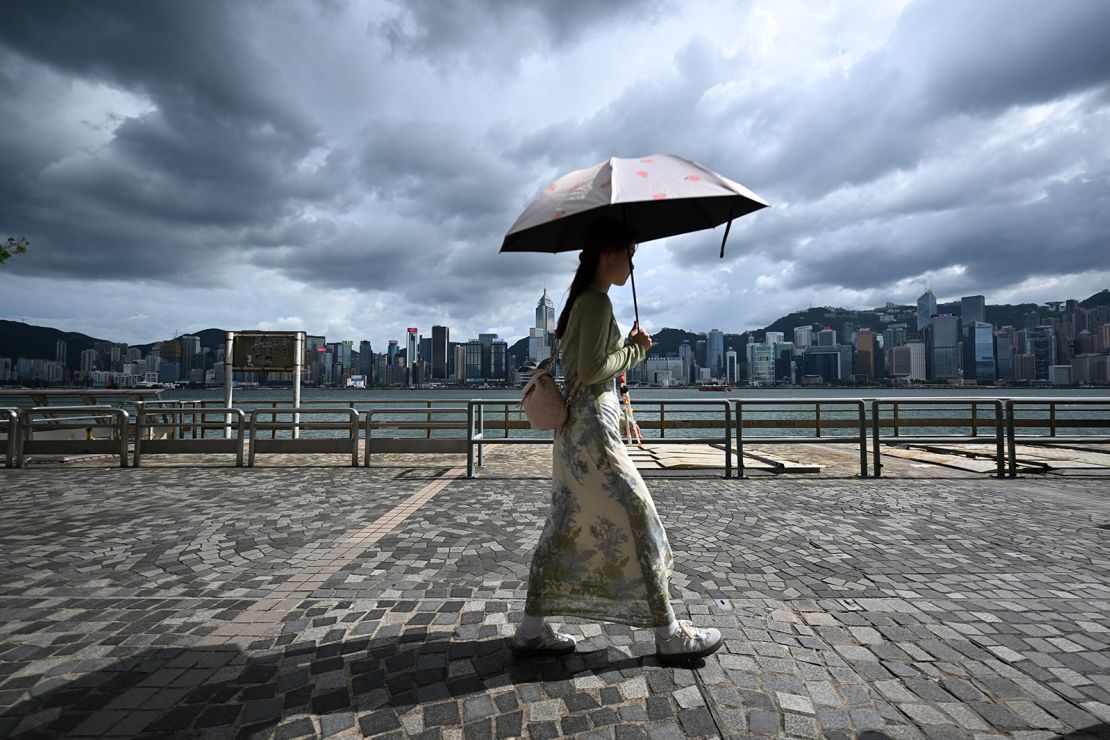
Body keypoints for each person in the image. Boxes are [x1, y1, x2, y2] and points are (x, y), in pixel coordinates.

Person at [511, 217, 723, 664]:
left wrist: (624, 347)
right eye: (630, 253)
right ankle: (668, 634)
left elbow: (586, 363)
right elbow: (590, 372)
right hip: (594, 434)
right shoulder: (598, 303)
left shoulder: (583, 302)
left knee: (567, 524)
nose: (632, 265)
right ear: (609, 253)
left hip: (577, 435)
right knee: (637, 515)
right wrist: (635, 349)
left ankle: (531, 630)